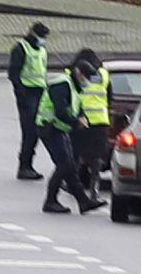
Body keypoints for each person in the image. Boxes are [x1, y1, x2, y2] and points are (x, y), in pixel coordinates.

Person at [35, 59, 107, 215]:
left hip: (59, 129)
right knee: (64, 166)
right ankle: (51, 201)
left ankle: (83, 202)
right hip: (49, 127)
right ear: (78, 73)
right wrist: (76, 122)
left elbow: (77, 107)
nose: (87, 82)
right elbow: (61, 110)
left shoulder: (75, 87)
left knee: (69, 167)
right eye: (86, 77)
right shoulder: (61, 84)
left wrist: (83, 117)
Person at [8, 22, 50, 181]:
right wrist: (21, 95)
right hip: (27, 94)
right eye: (41, 36)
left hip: (40, 93)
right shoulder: (20, 48)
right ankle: (24, 167)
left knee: (37, 131)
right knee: (30, 131)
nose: (43, 40)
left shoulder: (43, 50)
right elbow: (14, 74)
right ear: (32, 33)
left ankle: (28, 166)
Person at [71, 49, 111, 203]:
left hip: (81, 121)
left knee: (77, 156)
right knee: (96, 159)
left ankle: (75, 186)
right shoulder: (103, 75)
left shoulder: (73, 73)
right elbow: (109, 98)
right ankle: (94, 189)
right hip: (100, 121)